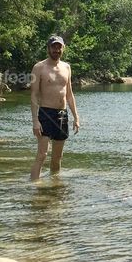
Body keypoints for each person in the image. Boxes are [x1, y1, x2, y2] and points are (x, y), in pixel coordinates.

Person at [30, 35, 81, 180]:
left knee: (57, 157)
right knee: (42, 154)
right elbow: (34, 95)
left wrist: (76, 117)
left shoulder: (66, 67)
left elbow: (69, 94)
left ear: (63, 48)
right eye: (53, 47)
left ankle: (55, 185)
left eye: (59, 47)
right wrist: (35, 121)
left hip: (62, 115)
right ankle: (33, 185)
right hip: (45, 113)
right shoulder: (39, 67)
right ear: (48, 48)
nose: (56, 50)